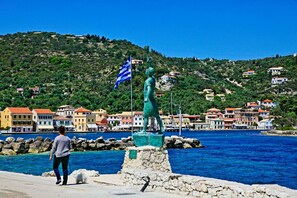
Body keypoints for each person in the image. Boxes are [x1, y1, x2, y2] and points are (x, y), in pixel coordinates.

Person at [141, 67, 165, 133]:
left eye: (146, 71)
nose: (145, 72)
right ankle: (162, 128)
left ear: (148, 73)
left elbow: (149, 89)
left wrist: (146, 97)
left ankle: (144, 130)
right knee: (157, 115)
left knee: (145, 116)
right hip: (152, 99)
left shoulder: (147, 80)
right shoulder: (153, 79)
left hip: (148, 100)